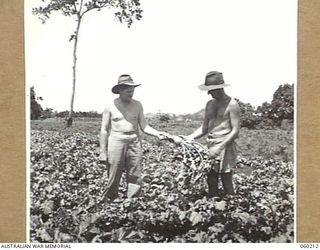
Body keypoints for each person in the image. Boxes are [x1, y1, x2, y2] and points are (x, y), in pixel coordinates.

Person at [99, 74, 167, 201]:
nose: (131, 94)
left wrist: (158, 133)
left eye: (133, 91)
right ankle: (111, 201)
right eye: (128, 91)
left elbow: (144, 125)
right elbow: (104, 129)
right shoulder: (110, 106)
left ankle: (132, 202)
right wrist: (102, 151)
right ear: (120, 90)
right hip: (116, 140)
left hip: (134, 141)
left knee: (135, 173)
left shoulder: (138, 105)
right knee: (114, 174)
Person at [184, 71, 240, 197]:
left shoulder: (232, 104)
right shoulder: (209, 104)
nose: (209, 93)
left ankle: (232, 208)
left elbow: (235, 131)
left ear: (220, 88)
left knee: (226, 179)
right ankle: (213, 206)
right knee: (211, 178)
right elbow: (204, 128)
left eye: (212, 90)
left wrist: (219, 147)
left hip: (226, 145)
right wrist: (189, 138)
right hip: (211, 143)